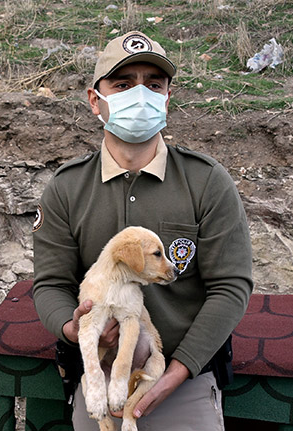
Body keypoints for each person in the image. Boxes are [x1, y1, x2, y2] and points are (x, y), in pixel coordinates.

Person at [32, 31, 253, 430]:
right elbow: (50, 284)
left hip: (183, 382)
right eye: (122, 84)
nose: (140, 94)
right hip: (100, 378)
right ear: (94, 99)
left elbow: (231, 286)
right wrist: (77, 327)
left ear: (167, 97)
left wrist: (176, 373)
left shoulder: (206, 181)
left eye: (153, 84)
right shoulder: (67, 188)